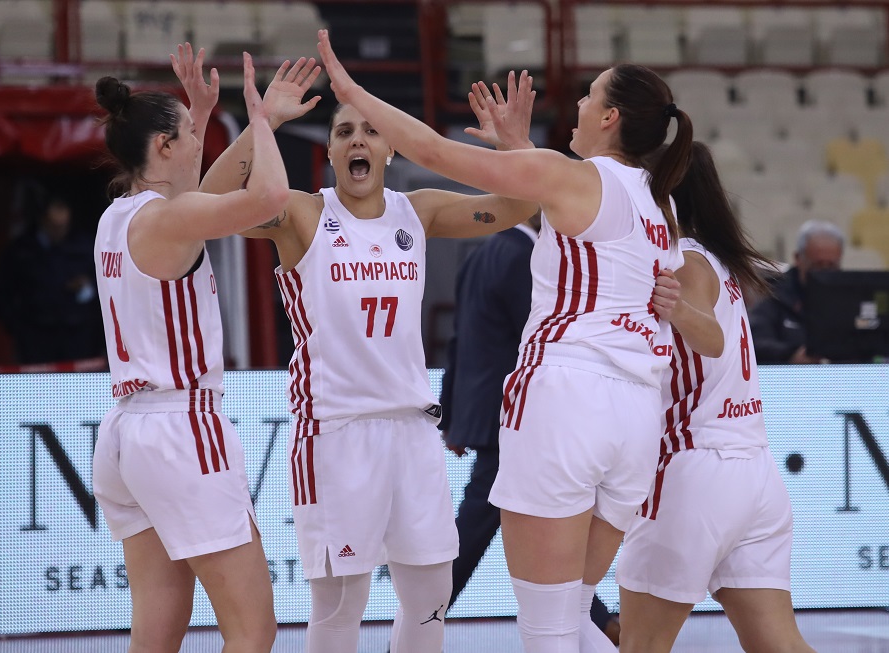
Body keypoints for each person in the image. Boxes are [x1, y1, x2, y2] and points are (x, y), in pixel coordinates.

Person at [317, 29, 687, 653]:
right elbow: (580, 222)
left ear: (610, 117)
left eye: (589, 96)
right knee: (575, 613)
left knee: (547, 627)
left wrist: (353, 93)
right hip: (639, 413)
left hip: (568, 398)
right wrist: (519, 149)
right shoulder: (660, 204)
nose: (578, 104)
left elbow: (434, 151)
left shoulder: (574, 177)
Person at [200, 56, 540, 653]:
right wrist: (263, 123)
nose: (358, 140)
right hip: (336, 432)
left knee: (431, 598)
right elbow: (206, 203)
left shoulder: (418, 211)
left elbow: (516, 206)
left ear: (390, 150)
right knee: (341, 606)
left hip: (412, 431)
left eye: (371, 131)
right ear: (331, 153)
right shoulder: (303, 214)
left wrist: (515, 146)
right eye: (344, 132)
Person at [90, 45, 287, 652]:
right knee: (253, 630)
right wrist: (259, 118)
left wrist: (207, 116)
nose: (200, 141)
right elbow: (268, 199)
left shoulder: (119, 218)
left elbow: (198, 195)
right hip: (182, 427)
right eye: (192, 135)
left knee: (156, 631)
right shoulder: (166, 222)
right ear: (164, 146)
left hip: (128, 433)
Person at [616, 142, 816, 653]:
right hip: (755, 475)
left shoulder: (683, 261)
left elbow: (710, 336)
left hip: (695, 470)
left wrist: (677, 311)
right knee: (779, 644)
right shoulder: (720, 261)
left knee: (640, 645)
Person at [438, 212, 620, 645]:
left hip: (487, 412)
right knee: (485, 528)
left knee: (525, 523)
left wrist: (453, 415)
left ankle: (597, 619)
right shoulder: (528, 259)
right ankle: (418, 621)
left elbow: (459, 340)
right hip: (516, 415)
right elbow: (543, 340)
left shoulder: (480, 254)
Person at [0, 193, 102, 364]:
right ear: (42, 220)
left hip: (78, 338)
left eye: (63, 226)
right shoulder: (22, 250)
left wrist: (89, 287)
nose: (59, 231)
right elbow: (3, 292)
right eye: (54, 226)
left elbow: (105, 285)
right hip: (36, 338)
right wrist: (18, 329)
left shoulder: (86, 246)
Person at [748, 220, 844, 364]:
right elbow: (753, 342)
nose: (824, 273)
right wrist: (790, 354)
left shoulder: (849, 298)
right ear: (798, 258)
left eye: (831, 266)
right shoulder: (773, 294)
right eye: (817, 265)